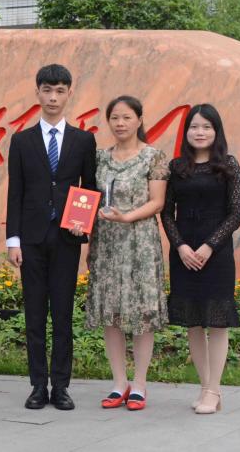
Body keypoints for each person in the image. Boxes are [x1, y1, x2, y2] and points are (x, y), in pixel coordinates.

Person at [6, 64, 97, 411]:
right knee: (34, 315)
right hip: (31, 239)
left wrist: (83, 225)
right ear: (38, 93)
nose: (53, 97)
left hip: (66, 239)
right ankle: (37, 386)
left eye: (60, 91)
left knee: (62, 314)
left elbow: (89, 187)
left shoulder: (83, 140)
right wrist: (13, 240)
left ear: (69, 93)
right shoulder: (21, 140)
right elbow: (15, 192)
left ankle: (60, 386)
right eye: (47, 90)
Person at [85, 96, 169, 411]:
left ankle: (140, 384)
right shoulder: (99, 158)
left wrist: (127, 217)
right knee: (111, 313)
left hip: (140, 243)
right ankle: (119, 382)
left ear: (139, 120)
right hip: (106, 243)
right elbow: (88, 198)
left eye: (127, 117)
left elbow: (157, 202)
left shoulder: (153, 156)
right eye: (115, 118)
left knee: (141, 314)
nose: (120, 123)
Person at [160, 104, 240, 415]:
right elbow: (166, 213)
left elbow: (236, 214)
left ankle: (213, 390)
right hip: (184, 254)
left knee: (217, 322)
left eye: (206, 127)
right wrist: (181, 246)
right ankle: (206, 388)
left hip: (216, 254)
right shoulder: (177, 167)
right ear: (187, 132)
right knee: (193, 322)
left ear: (216, 131)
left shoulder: (228, 166)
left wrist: (209, 246)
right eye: (194, 126)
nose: (200, 132)